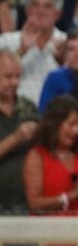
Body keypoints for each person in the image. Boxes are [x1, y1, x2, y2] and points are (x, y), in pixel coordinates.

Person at [22, 95, 78, 215]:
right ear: (55, 124)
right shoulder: (37, 156)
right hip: (50, 230)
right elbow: (34, 204)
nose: (76, 130)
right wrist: (74, 194)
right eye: (71, 124)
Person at [0, 0, 67, 105]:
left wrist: (63, 61)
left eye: (47, 6)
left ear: (57, 14)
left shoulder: (66, 44)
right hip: (13, 114)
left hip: (54, 116)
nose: (40, 11)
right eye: (35, 5)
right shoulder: (6, 41)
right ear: (27, 10)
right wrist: (22, 50)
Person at [0, 50, 39, 211]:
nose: (14, 82)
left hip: (25, 203)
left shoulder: (28, 107)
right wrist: (15, 139)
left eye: (18, 77)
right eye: (8, 77)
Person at [38, 30, 78, 112]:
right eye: (71, 49)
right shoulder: (55, 78)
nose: (77, 54)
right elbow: (44, 113)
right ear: (65, 55)